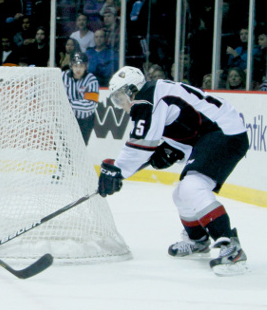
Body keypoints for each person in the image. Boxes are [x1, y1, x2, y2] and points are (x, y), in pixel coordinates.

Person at [98, 66, 249, 276]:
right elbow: (185, 124)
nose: (120, 104)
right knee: (181, 193)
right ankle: (198, 240)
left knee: (192, 186)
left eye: (121, 97)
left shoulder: (146, 98)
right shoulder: (156, 93)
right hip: (210, 133)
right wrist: (172, 149)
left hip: (225, 131)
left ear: (133, 90)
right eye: (115, 100)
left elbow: (139, 146)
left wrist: (117, 170)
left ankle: (231, 247)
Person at [61, 52, 98, 145]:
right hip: (67, 119)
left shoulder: (91, 80)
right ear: (71, 66)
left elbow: (90, 105)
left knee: (79, 149)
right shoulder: (62, 77)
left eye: (81, 66)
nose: (78, 69)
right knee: (62, 148)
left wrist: (68, 103)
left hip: (85, 121)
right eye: (75, 66)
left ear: (86, 67)